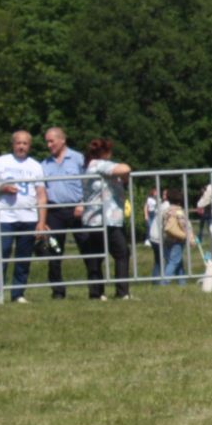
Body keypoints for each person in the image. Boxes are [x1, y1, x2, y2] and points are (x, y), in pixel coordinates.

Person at [38, 126, 103, 300]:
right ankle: (58, 292)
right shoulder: (44, 165)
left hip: (78, 209)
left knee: (88, 250)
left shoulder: (79, 159)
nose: (49, 144)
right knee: (54, 252)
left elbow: (90, 184)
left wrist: (83, 203)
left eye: (52, 141)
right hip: (55, 211)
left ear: (62, 140)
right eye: (47, 141)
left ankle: (96, 291)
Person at [0, 129, 46, 303]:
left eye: (25, 143)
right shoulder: (2, 162)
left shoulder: (35, 165)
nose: (21, 146)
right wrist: (3, 188)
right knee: (2, 253)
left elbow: (41, 195)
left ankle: (18, 293)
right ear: (13, 144)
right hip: (6, 217)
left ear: (29, 146)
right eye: (18, 143)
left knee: (24, 256)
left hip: (28, 217)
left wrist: (41, 221)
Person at [81, 138, 134, 300]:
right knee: (122, 253)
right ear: (105, 153)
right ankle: (122, 292)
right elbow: (125, 168)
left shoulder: (89, 167)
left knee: (96, 257)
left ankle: (97, 293)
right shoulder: (100, 165)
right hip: (107, 219)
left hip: (92, 219)